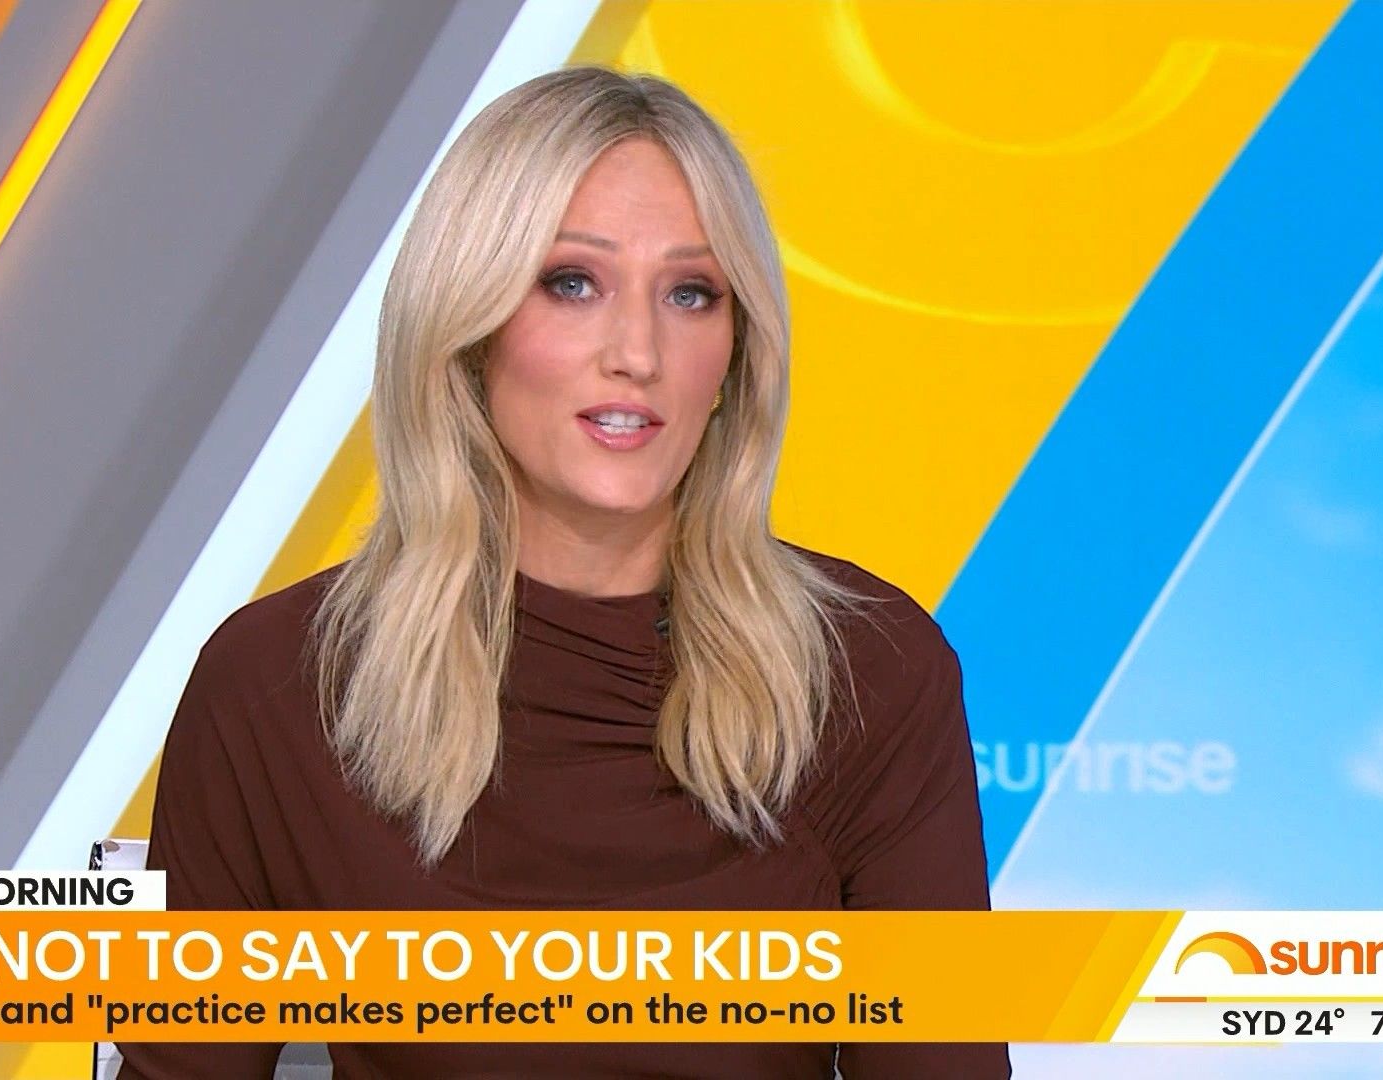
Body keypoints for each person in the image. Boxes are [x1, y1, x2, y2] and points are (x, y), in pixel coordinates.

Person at [117, 65, 1009, 1079]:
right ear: (468, 328)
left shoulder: (868, 673)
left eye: (691, 293)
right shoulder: (279, 685)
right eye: (572, 283)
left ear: (734, 356)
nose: (638, 352)